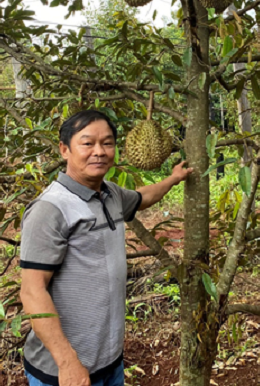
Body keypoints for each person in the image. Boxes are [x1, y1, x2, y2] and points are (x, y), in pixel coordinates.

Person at [19, 110, 192, 386]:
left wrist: (173, 178)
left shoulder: (110, 195)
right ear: (65, 149)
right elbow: (31, 291)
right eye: (87, 143)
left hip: (109, 362)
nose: (99, 152)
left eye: (107, 143)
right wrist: (68, 363)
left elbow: (143, 197)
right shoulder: (50, 209)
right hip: (61, 372)